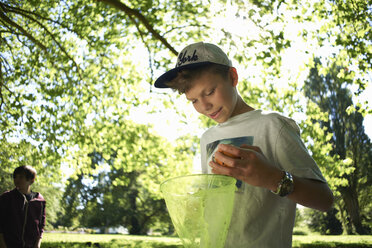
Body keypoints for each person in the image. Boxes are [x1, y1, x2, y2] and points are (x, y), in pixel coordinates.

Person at [154, 41, 334, 247]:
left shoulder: (273, 126)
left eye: (210, 91)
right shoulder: (207, 138)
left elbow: (325, 200)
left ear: (232, 77)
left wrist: (272, 178)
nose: (204, 106)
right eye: (193, 100)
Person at [0, 166, 46, 248]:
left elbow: (41, 225)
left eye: (21, 177)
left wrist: (37, 244)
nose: (17, 180)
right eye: (15, 177)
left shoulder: (39, 201)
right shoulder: (7, 197)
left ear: (31, 180)